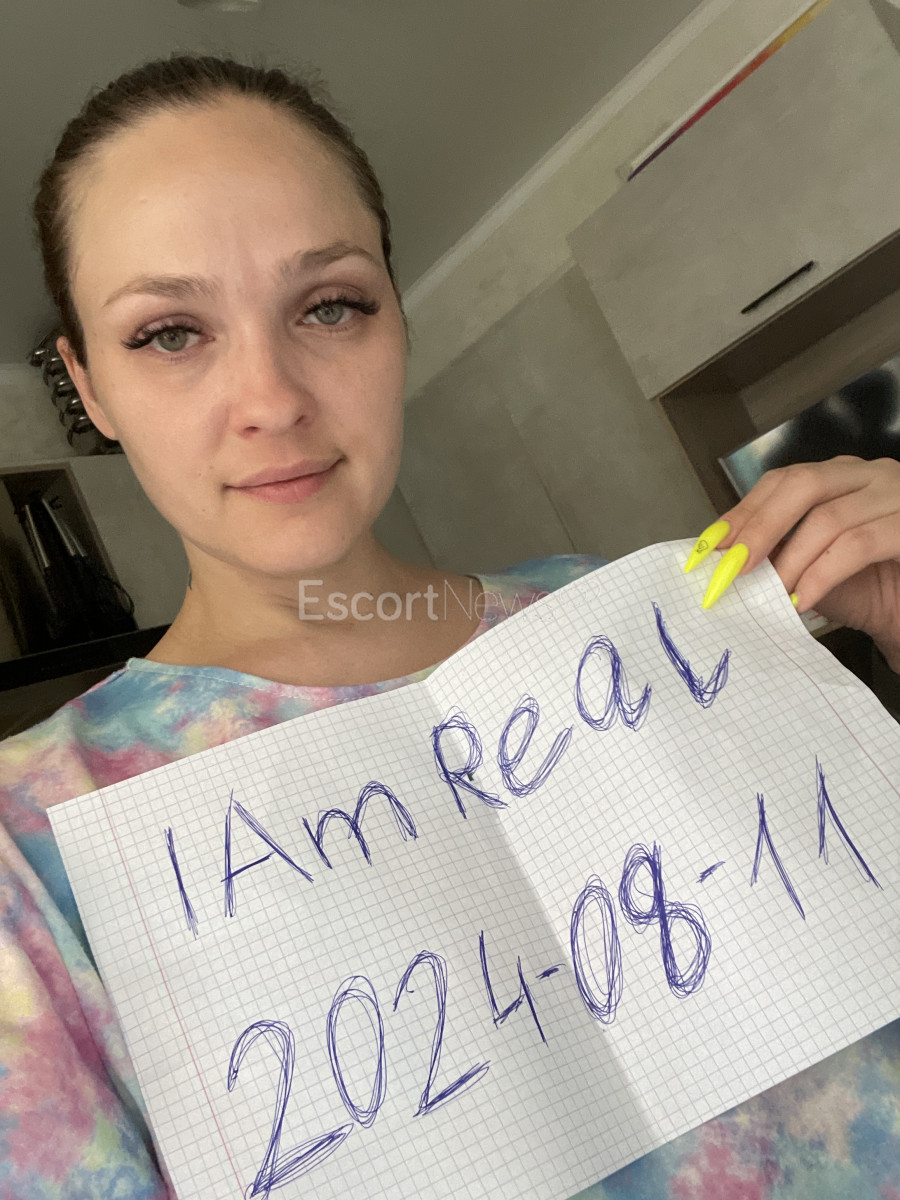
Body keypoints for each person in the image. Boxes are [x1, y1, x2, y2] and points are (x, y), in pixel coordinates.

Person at [0, 52, 897, 1200]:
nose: (271, 399)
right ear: (90, 386)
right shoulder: (33, 847)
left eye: (330, 305)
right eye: (170, 333)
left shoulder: (650, 620)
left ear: (395, 318)